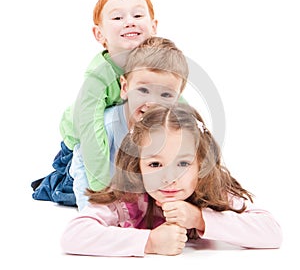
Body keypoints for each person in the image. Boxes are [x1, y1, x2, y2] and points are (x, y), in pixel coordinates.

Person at [60, 103, 282, 257]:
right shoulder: (127, 199)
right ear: (137, 165)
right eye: (154, 165)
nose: (168, 178)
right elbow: (73, 236)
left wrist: (199, 218)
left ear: (201, 164)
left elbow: (272, 232)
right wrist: (150, 242)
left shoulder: (210, 190)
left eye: (183, 164)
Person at [31, 0, 158, 206]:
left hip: (119, 141)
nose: (129, 21)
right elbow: (90, 133)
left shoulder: (157, 65)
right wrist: (102, 191)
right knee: (74, 188)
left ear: (154, 26)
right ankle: (53, 183)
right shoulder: (99, 77)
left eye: (138, 15)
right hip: (81, 144)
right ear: (100, 34)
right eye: (118, 18)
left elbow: (174, 100)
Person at [70, 36, 189, 210]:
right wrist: (93, 210)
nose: (152, 103)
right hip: (89, 173)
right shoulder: (109, 125)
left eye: (165, 95)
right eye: (143, 90)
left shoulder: (174, 132)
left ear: (177, 99)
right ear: (125, 88)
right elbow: (83, 160)